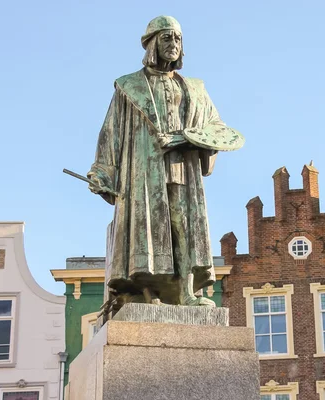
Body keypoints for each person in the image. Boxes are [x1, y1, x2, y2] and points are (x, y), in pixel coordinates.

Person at [87, 16, 243, 307]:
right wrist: (103, 172)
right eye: (166, 38)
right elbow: (111, 132)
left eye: (178, 39)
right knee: (148, 227)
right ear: (152, 44)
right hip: (144, 170)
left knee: (182, 224)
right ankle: (147, 291)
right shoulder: (128, 87)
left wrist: (184, 137)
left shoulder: (195, 88)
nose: (173, 44)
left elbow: (220, 129)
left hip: (183, 168)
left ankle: (186, 292)